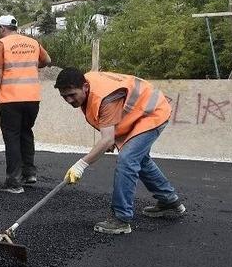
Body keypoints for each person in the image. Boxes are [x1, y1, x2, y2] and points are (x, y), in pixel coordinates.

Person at [54, 68, 186, 235]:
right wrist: (109, 139)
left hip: (152, 112)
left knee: (127, 159)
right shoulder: (87, 87)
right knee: (141, 160)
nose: (68, 99)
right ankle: (169, 201)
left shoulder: (104, 96)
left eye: (72, 94)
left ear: (85, 87)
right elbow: (107, 125)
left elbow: (107, 138)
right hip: (138, 114)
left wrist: (81, 164)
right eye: (64, 96)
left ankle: (121, 219)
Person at [0, 15, 51, 194]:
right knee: (26, 133)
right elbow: (47, 61)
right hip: (32, 98)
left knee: (12, 137)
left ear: (1, 29)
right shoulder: (32, 42)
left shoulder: (1, 44)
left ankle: (13, 181)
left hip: (11, 99)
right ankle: (29, 173)